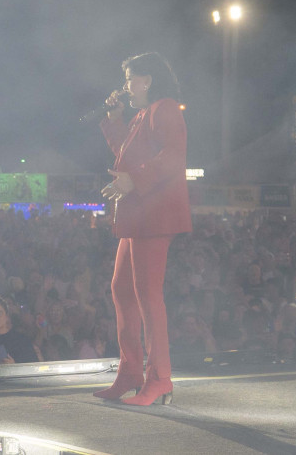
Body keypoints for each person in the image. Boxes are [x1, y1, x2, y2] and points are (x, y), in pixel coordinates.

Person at [94, 52, 191, 406]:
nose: (126, 86)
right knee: (122, 289)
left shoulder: (164, 108)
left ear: (147, 79)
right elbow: (127, 154)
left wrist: (134, 181)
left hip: (154, 214)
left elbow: (173, 157)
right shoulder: (141, 116)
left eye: (130, 78)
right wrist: (114, 120)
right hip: (140, 214)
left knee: (148, 295)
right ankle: (131, 371)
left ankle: (159, 377)